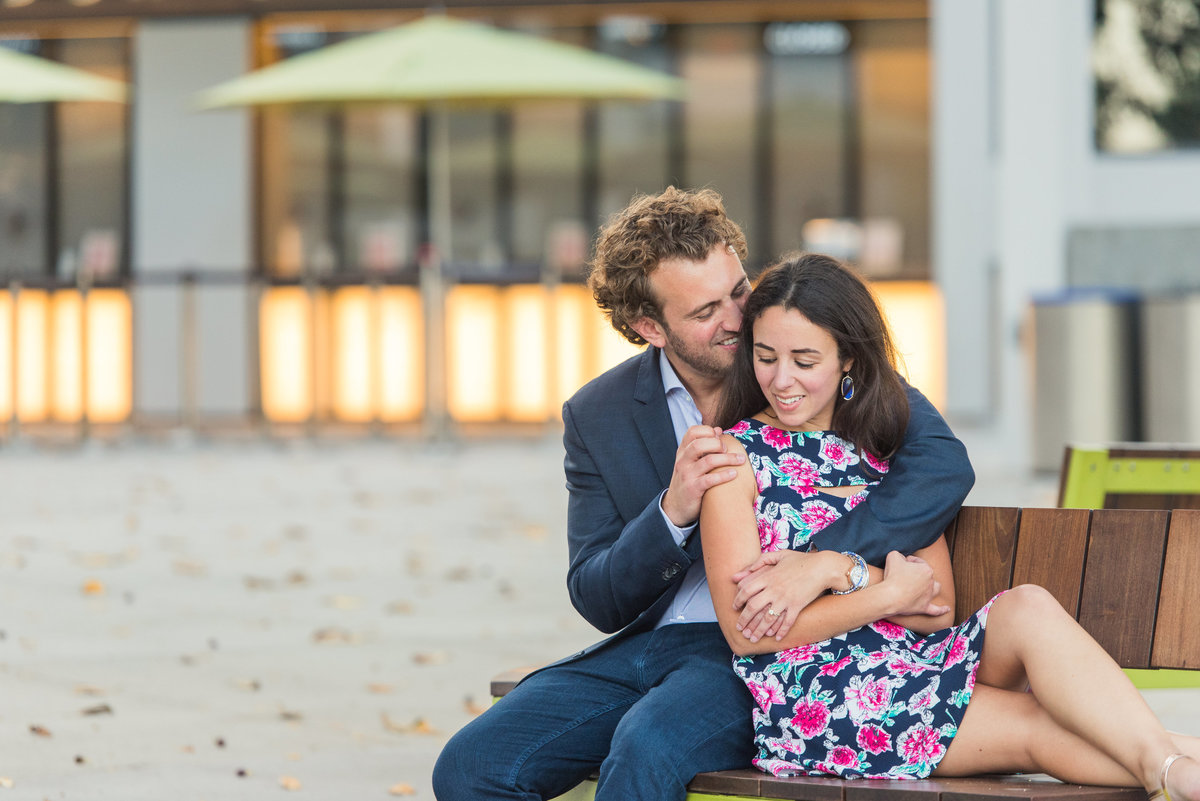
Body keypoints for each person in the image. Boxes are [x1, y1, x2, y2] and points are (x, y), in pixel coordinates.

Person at [432, 187, 974, 800]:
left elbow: (943, 467)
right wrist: (672, 512)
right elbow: (595, 591)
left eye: (738, 291)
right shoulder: (597, 414)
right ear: (649, 327)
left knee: (647, 747)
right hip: (642, 645)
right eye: (705, 311)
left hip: (759, 655)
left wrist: (812, 567)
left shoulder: (809, 368)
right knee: (470, 766)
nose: (739, 320)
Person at [699, 253, 1200, 800]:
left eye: (804, 359)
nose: (781, 379)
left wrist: (837, 572)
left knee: (1027, 605)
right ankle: (1174, 773)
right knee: (1035, 723)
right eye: (766, 356)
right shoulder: (733, 461)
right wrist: (885, 590)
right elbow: (748, 636)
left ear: (848, 360)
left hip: (915, 661)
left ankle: (1173, 771)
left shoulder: (882, 449)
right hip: (824, 698)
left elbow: (934, 609)